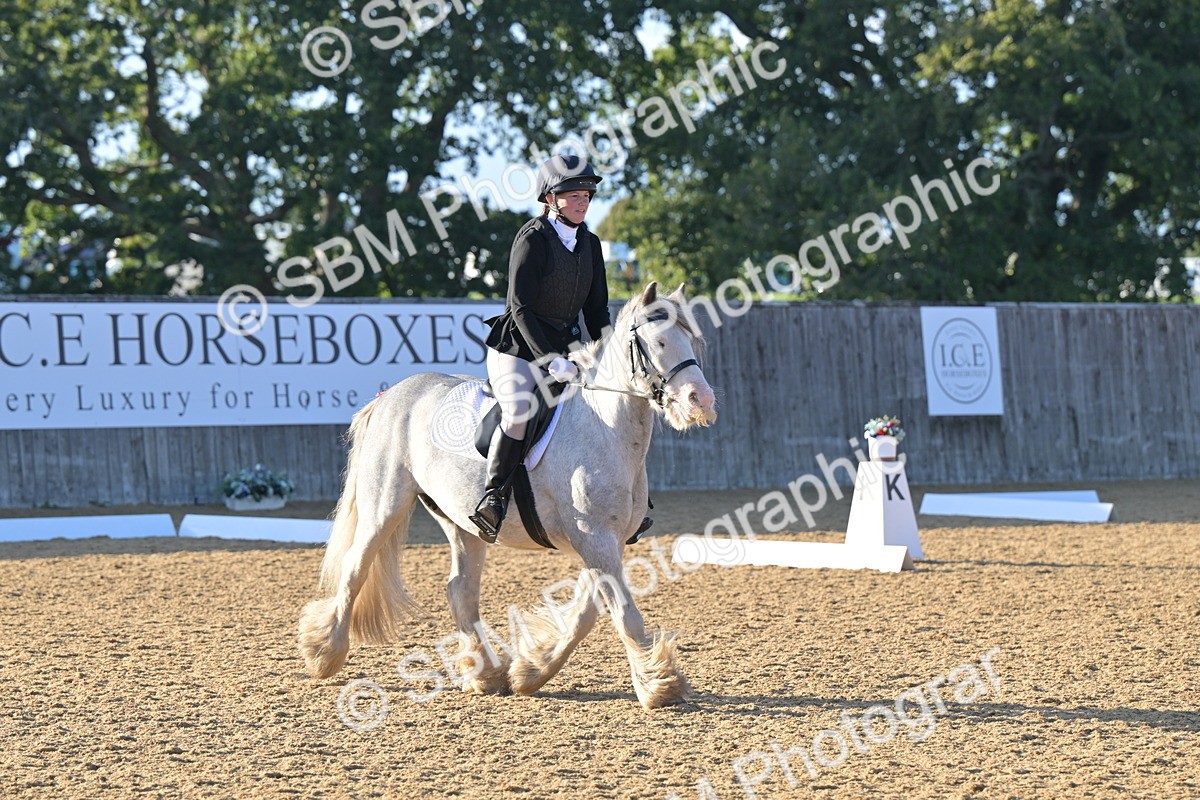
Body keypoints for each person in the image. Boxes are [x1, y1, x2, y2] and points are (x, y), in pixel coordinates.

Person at [468, 155, 612, 541]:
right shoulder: (533, 238)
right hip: (518, 346)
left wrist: (605, 352)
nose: (583, 202)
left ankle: (618, 502)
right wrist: (550, 361)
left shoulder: (591, 245)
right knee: (517, 411)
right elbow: (522, 308)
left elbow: (596, 309)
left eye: (587, 194)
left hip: (568, 347)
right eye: (573, 195)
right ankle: (493, 497)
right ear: (551, 199)